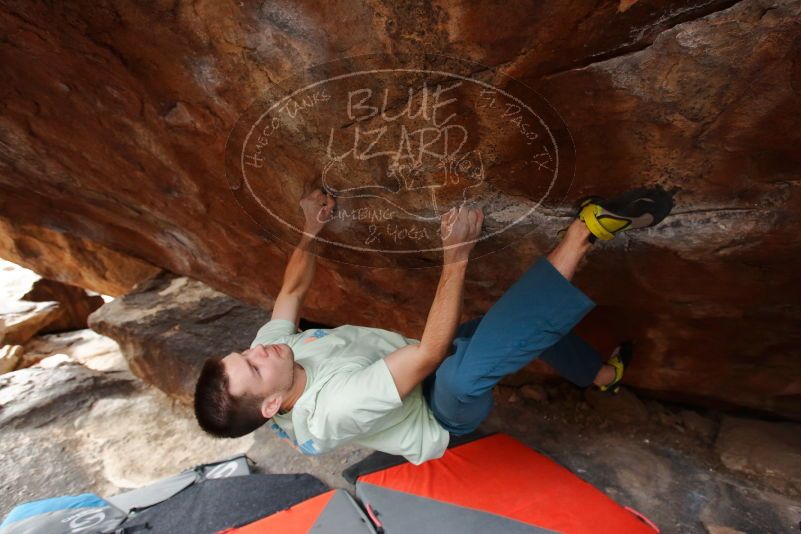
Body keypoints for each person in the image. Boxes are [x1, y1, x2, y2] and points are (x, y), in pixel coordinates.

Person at [194, 186, 673, 464]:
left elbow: (291, 293)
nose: (259, 350)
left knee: (503, 333)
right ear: (273, 405)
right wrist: (456, 256)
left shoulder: (272, 360)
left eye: (246, 351)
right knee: (468, 369)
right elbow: (429, 357)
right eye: (254, 367)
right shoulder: (333, 408)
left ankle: (603, 376)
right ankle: (584, 233)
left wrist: (310, 228)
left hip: (411, 366)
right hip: (436, 413)